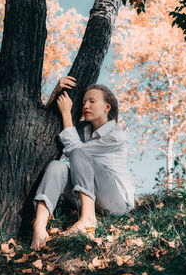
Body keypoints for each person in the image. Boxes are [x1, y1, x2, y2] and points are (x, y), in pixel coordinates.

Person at [31, 76, 135, 250]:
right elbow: (45, 122)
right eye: (84, 102)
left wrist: (66, 113)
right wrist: (55, 93)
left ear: (106, 107)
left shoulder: (117, 136)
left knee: (79, 152)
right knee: (57, 167)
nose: (85, 106)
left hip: (116, 202)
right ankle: (39, 226)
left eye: (92, 101)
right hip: (92, 199)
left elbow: (75, 149)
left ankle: (87, 219)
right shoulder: (82, 131)